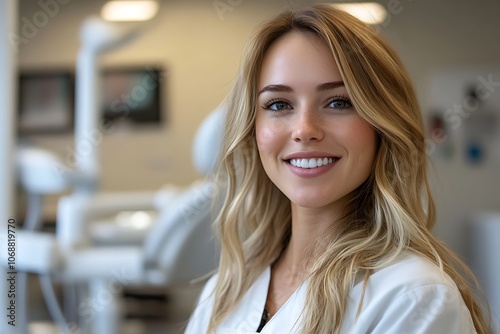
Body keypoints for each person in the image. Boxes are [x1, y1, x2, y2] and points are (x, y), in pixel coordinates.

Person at [185, 4, 490, 334]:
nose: (304, 129)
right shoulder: (225, 289)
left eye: (338, 102)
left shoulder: (414, 297)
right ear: (253, 129)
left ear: (381, 126)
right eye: (278, 104)